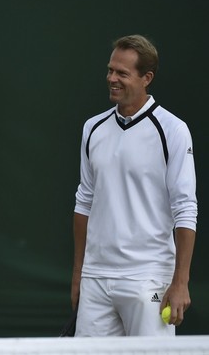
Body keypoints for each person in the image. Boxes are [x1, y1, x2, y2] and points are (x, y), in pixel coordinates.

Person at [72, 34, 197, 336]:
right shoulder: (93, 128)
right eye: (110, 70)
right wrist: (79, 274)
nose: (112, 78)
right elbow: (84, 202)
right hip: (95, 279)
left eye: (122, 73)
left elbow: (185, 208)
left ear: (146, 78)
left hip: (149, 279)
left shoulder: (174, 131)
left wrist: (180, 282)